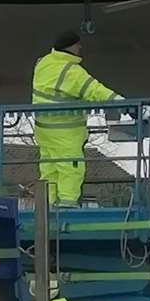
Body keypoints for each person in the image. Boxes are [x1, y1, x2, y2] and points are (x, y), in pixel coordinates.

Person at [31, 28, 121, 205]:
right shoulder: (71, 72)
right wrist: (120, 102)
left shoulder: (43, 63)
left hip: (43, 130)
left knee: (49, 170)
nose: (80, 47)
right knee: (71, 169)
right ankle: (66, 208)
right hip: (66, 132)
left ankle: (45, 208)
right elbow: (94, 90)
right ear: (70, 46)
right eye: (77, 44)